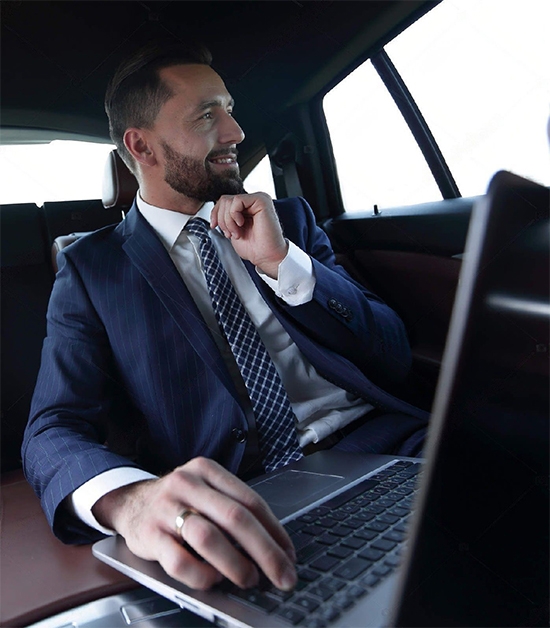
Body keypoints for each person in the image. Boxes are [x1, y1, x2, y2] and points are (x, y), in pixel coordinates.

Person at [22, 42, 428, 594]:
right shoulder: (94, 270)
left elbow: (394, 355)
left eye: (230, 109)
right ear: (142, 146)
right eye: (208, 115)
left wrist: (285, 263)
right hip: (244, 496)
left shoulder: (289, 222)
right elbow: (53, 427)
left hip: (390, 447)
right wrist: (132, 502)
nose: (236, 131)